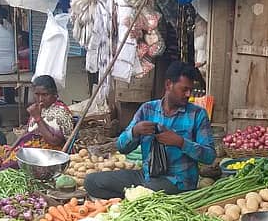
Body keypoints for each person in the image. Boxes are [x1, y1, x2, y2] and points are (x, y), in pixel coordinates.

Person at [84, 61, 215, 199]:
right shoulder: (147, 109)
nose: (188, 94)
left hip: (178, 182)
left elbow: (209, 156)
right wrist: (135, 131)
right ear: (168, 85)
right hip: (146, 176)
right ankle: (137, 199)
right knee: (92, 182)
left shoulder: (197, 114)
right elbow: (122, 147)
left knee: (144, 193)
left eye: (190, 90)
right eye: (184, 89)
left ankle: (138, 199)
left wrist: (180, 142)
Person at [0, 75, 74, 171]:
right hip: (27, 149)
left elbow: (54, 142)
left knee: (10, 165)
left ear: (54, 94)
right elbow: (27, 131)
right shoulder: (37, 107)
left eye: (45, 95)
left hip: (47, 154)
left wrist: (37, 118)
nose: (40, 99)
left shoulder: (60, 112)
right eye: (37, 94)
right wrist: (12, 147)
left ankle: (0, 176)